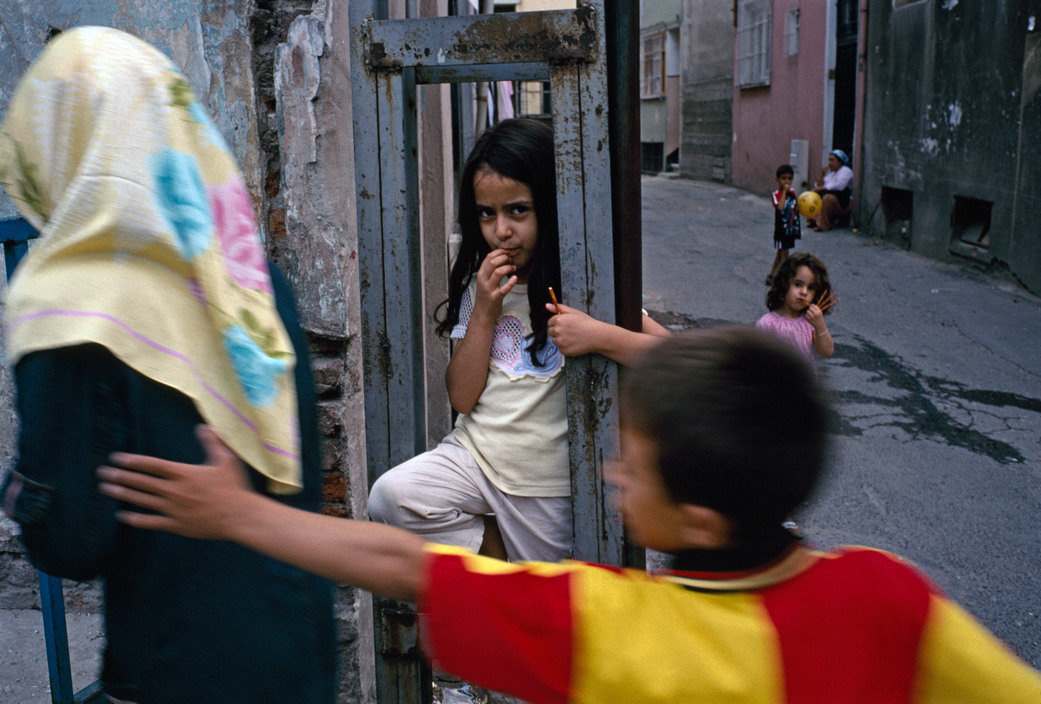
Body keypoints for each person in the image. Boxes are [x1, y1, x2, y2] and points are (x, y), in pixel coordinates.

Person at [96, 327, 1041, 703]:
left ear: (701, 522)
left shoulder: (621, 629)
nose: (611, 469)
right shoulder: (888, 596)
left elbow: (404, 567)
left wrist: (236, 515)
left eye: (636, 463)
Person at [0, 28, 335, 703]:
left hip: (177, 670)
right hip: (295, 655)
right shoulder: (248, 274)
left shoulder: (76, 306)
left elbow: (71, 540)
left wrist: (20, 491)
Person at [366, 118, 668, 564]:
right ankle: (494, 551)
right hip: (474, 456)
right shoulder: (482, 287)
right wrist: (485, 310)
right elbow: (463, 397)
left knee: (544, 612)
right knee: (391, 497)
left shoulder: (589, 287)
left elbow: (669, 356)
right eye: (487, 213)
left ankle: (499, 581)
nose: (501, 231)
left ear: (551, 206)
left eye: (518, 211)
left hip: (546, 486)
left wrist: (600, 335)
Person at [757, 252, 835, 364]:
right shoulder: (768, 323)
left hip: (804, 381)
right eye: (798, 284)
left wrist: (820, 324)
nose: (804, 292)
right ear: (784, 284)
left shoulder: (810, 322)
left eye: (811, 287)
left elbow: (827, 352)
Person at [765, 164, 800, 286]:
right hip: (781, 230)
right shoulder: (776, 194)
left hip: (790, 228)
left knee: (781, 252)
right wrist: (784, 191)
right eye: (783, 178)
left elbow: (795, 207)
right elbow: (780, 207)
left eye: (789, 179)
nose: (787, 181)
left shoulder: (793, 192)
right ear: (777, 180)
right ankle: (784, 278)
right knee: (784, 254)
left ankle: (772, 274)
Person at [809, 149, 853, 231]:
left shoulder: (845, 171)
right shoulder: (831, 174)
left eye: (832, 160)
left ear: (840, 161)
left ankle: (823, 225)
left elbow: (840, 186)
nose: (829, 163)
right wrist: (822, 175)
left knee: (828, 198)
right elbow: (818, 186)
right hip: (835, 202)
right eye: (829, 160)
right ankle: (814, 221)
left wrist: (821, 189)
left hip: (844, 204)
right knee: (814, 196)